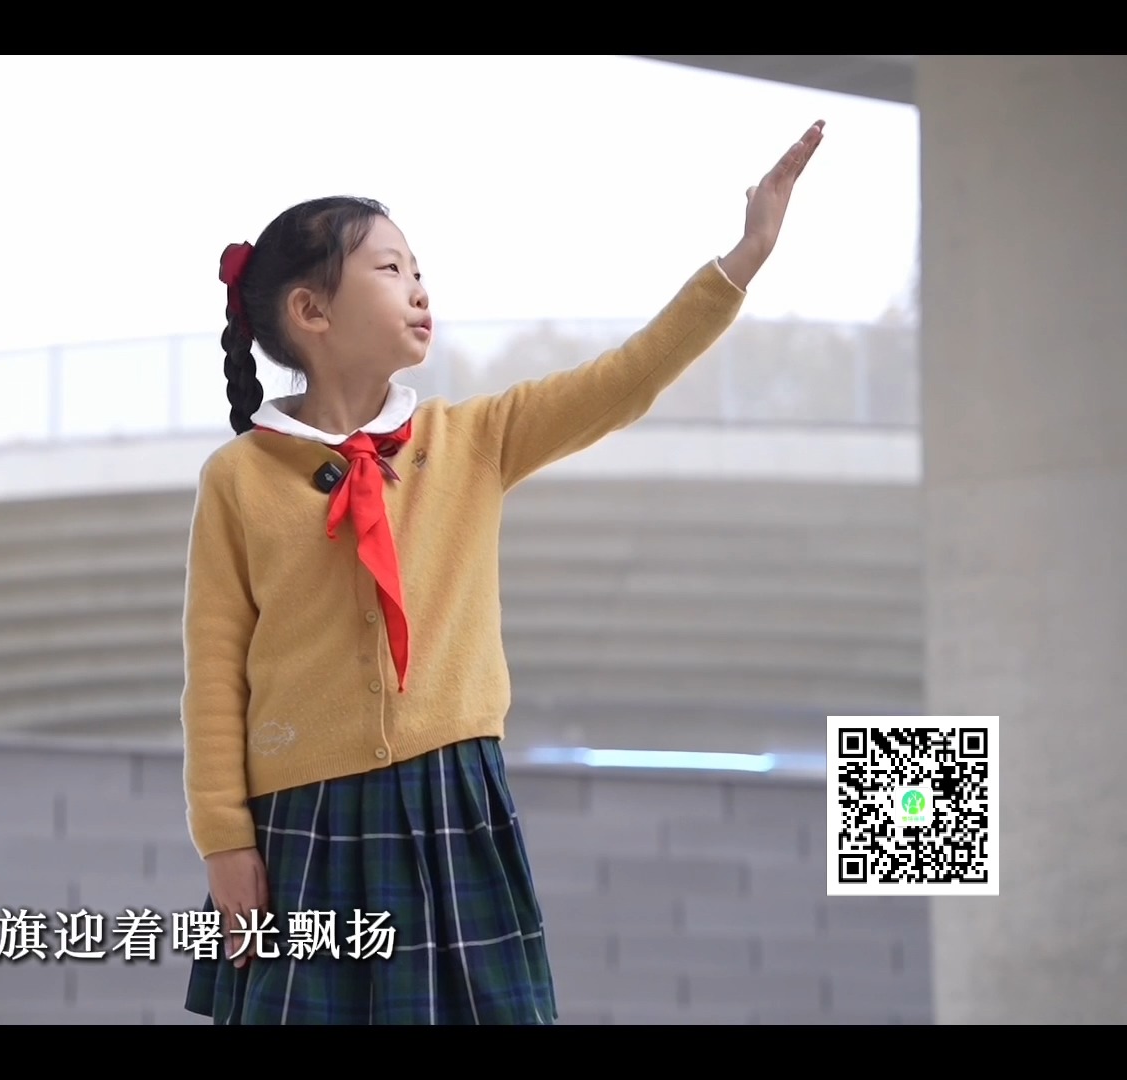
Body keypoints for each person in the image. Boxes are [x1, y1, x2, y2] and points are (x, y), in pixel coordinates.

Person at [178, 121, 826, 1024]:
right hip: (303, 823)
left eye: (419, 269)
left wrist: (743, 259)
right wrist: (223, 840)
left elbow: (624, 380)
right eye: (391, 268)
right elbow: (215, 673)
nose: (419, 287)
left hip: (454, 802)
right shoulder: (239, 479)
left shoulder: (473, 440)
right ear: (311, 313)